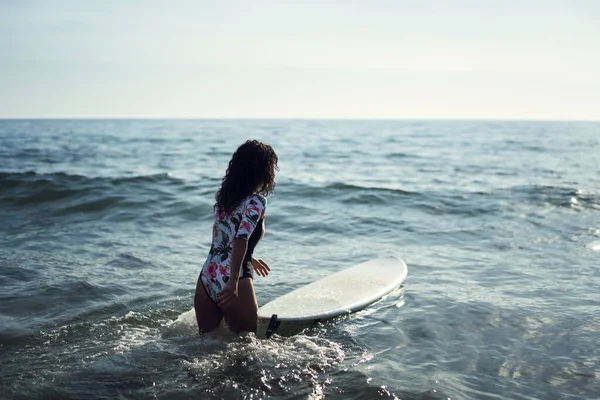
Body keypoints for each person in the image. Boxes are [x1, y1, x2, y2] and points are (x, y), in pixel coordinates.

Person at [194, 140, 278, 334]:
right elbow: (240, 238)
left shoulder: (226, 199)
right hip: (234, 279)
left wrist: (250, 256)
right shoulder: (256, 201)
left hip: (208, 277)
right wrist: (232, 281)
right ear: (263, 171)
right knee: (246, 347)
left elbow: (222, 237)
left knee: (205, 345)